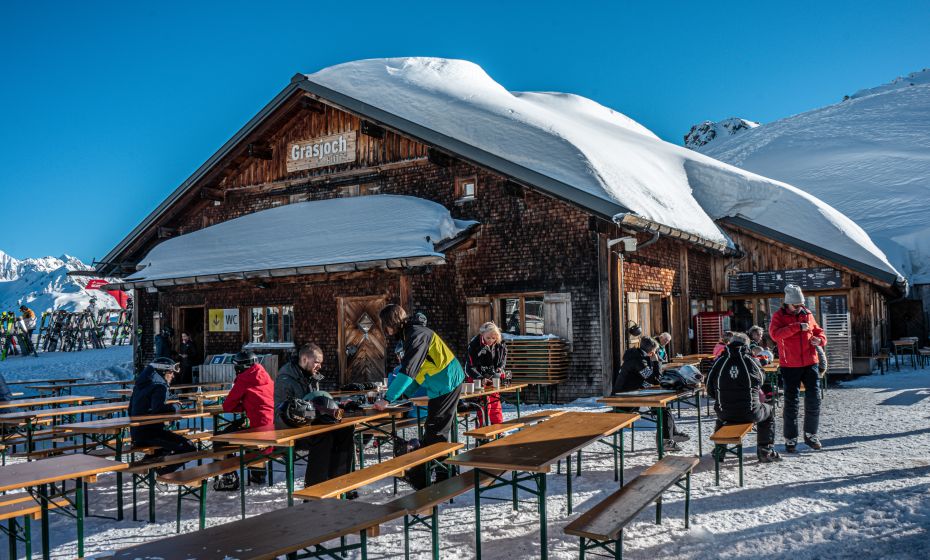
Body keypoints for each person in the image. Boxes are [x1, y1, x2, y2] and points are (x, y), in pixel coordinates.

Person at [374, 304, 464, 489]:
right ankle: (442, 474)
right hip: (440, 383)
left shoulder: (416, 335)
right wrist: (405, 395)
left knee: (434, 431)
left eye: (385, 325)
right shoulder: (411, 335)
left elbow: (408, 371)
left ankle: (441, 477)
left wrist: (388, 398)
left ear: (392, 323)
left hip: (447, 382)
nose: (386, 331)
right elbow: (419, 373)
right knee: (435, 431)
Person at [274, 343, 355, 487]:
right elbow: (283, 412)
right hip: (291, 430)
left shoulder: (311, 376)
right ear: (305, 359)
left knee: (345, 430)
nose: (320, 366)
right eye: (317, 362)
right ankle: (315, 488)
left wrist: (336, 406)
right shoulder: (285, 379)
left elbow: (317, 400)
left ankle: (341, 484)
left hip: (311, 425)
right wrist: (309, 413)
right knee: (323, 437)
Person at [769, 284, 827, 453]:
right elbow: (775, 335)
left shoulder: (807, 313)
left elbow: (818, 331)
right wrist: (796, 327)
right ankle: (791, 439)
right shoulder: (778, 316)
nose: (800, 307)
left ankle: (811, 435)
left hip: (810, 363)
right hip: (790, 365)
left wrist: (820, 340)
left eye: (801, 304)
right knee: (791, 403)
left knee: (814, 399)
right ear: (788, 303)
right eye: (796, 305)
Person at [707, 332, 780, 462]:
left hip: (725, 412)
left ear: (729, 343)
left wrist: (721, 397)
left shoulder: (719, 361)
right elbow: (762, 380)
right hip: (750, 412)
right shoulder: (751, 361)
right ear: (747, 345)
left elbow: (709, 387)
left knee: (721, 416)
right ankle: (765, 449)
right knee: (769, 411)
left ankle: (720, 449)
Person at [611, 336, 684, 449]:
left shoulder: (637, 357)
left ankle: (670, 435)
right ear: (650, 351)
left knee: (664, 407)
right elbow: (655, 380)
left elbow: (648, 379)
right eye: (654, 352)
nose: (654, 354)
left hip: (630, 395)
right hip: (624, 400)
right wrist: (656, 361)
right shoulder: (638, 360)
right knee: (663, 409)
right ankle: (666, 440)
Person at [216, 350, 275, 488]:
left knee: (220, 440)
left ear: (240, 367)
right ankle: (258, 475)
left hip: (258, 430)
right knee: (243, 432)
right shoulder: (265, 376)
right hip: (272, 426)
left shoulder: (244, 379)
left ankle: (229, 478)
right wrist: (247, 405)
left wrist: (242, 406)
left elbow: (228, 406)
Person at [128, 357, 196, 472]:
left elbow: (130, 409)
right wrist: (176, 406)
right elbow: (158, 409)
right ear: (163, 371)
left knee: (165, 447)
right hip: (151, 434)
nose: (173, 376)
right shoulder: (159, 386)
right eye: (171, 372)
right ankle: (161, 474)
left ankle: (145, 469)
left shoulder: (141, 384)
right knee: (189, 448)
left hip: (137, 434)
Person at [465, 321, 508, 426]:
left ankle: (498, 426)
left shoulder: (500, 343)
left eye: (494, 338)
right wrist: (480, 378)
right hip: (477, 375)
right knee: (483, 402)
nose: (491, 340)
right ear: (482, 334)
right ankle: (483, 427)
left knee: (495, 400)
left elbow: (503, 359)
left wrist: (499, 368)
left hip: (492, 374)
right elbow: (470, 367)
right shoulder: (474, 345)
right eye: (488, 338)